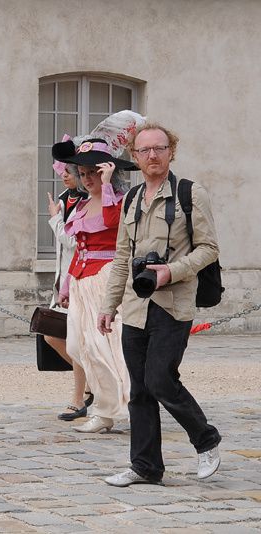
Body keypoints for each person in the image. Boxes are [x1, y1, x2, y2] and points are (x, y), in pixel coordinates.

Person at [98, 123, 221, 486]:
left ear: (172, 151)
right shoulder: (132, 198)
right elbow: (122, 257)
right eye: (145, 150)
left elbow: (209, 249)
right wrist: (109, 305)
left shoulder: (190, 194)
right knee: (139, 390)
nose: (153, 155)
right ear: (135, 156)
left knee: (160, 379)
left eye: (160, 148)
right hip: (136, 306)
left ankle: (206, 439)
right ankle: (146, 467)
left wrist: (170, 272)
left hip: (173, 304)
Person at [52, 136, 135, 434]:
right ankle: (105, 405)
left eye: (94, 173)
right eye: (83, 174)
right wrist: (66, 287)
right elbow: (77, 249)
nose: (87, 179)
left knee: (108, 347)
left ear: (107, 171)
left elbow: (114, 224)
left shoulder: (120, 201)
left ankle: (116, 409)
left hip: (106, 280)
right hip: (81, 282)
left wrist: (110, 184)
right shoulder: (83, 206)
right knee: (79, 347)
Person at [44, 160, 92, 421]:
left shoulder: (88, 203)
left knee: (77, 341)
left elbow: (75, 242)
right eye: (62, 171)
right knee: (51, 336)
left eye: (70, 172)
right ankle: (92, 384)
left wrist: (54, 219)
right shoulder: (65, 200)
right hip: (62, 281)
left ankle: (79, 398)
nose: (63, 175)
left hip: (80, 279)